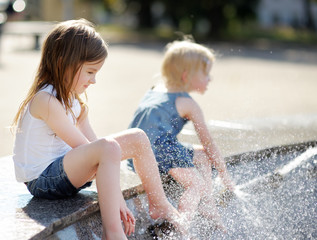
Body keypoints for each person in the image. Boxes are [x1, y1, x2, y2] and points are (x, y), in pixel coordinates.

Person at [12, 19, 185, 240]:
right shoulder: (45, 100)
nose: (94, 80)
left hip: (65, 174)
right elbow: (89, 148)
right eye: (90, 72)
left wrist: (115, 191)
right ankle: (112, 233)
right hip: (43, 181)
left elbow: (96, 146)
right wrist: (116, 198)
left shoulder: (74, 101)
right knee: (108, 147)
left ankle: (159, 205)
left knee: (138, 138)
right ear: (64, 62)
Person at [128, 39, 235, 230]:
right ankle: (181, 227)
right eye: (206, 74)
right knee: (196, 185)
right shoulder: (186, 103)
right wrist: (224, 174)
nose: (210, 79)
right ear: (186, 76)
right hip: (160, 151)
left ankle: (207, 206)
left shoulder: (154, 91)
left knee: (202, 155)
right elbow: (209, 142)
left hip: (138, 153)